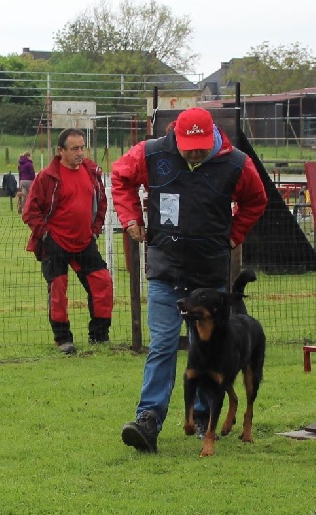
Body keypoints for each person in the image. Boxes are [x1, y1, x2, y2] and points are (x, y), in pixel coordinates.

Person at [111, 107, 267, 453]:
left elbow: (256, 200)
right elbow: (120, 177)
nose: (194, 152)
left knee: (209, 347)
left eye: (199, 146)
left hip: (210, 277)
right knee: (163, 344)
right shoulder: (150, 153)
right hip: (167, 268)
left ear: (213, 136)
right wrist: (131, 217)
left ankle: (202, 417)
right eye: (187, 146)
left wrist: (234, 234)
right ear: (174, 136)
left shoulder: (237, 164)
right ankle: (148, 419)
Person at [22, 128, 114, 355]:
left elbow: (101, 203)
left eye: (82, 147)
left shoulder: (92, 172)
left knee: (102, 282)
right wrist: (45, 235)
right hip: (56, 243)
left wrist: (94, 230)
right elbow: (30, 211)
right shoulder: (47, 176)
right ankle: (63, 339)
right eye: (75, 149)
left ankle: (99, 337)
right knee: (58, 290)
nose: (80, 153)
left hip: (85, 240)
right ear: (60, 151)